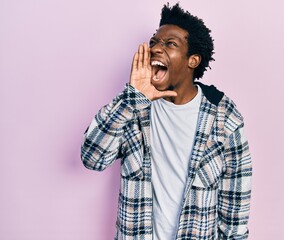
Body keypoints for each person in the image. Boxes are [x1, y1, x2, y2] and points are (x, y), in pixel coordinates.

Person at [81, 3, 252, 240]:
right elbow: (92, 159)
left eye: (170, 44)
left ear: (192, 60)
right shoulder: (134, 107)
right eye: (154, 42)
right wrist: (132, 100)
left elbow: (235, 207)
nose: (155, 49)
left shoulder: (224, 117)